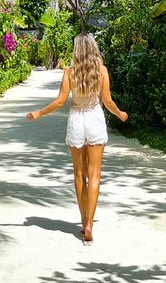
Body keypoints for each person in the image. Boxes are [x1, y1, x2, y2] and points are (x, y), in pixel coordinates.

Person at [27, 32, 128, 245]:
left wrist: (39, 113)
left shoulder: (70, 73)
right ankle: (90, 223)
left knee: (79, 174)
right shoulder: (102, 71)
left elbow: (59, 102)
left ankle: (83, 221)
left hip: (76, 119)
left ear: (76, 51)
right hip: (94, 118)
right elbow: (108, 102)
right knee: (95, 174)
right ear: (93, 49)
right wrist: (120, 114)